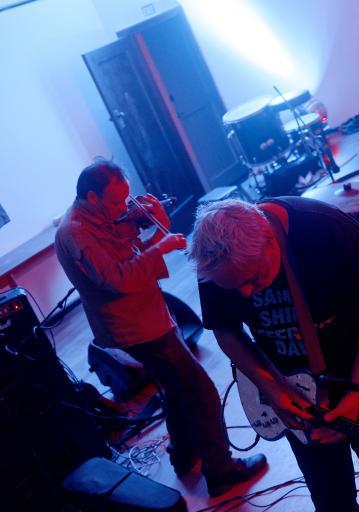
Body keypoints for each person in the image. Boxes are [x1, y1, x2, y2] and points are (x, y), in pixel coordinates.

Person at [190, 197, 359, 512]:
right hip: (293, 394)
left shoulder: (326, 229)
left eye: (253, 278)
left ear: (270, 240)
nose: (245, 293)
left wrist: (353, 399)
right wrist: (270, 387)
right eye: (235, 287)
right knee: (330, 497)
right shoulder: (217, 260)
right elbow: (225, 329)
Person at [54, 159, 267, 497]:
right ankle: (221, 470)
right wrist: (160, 246)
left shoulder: (98, 215)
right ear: (91, 197)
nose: (122, 209)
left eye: (125, 200)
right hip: (135, 326)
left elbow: (127, 244)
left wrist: (155, 223)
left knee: (175, 387)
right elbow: (117, 278)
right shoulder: (75, 232)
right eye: (115, 202)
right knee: (200, 390)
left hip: (147, 314)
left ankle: (183, 455)